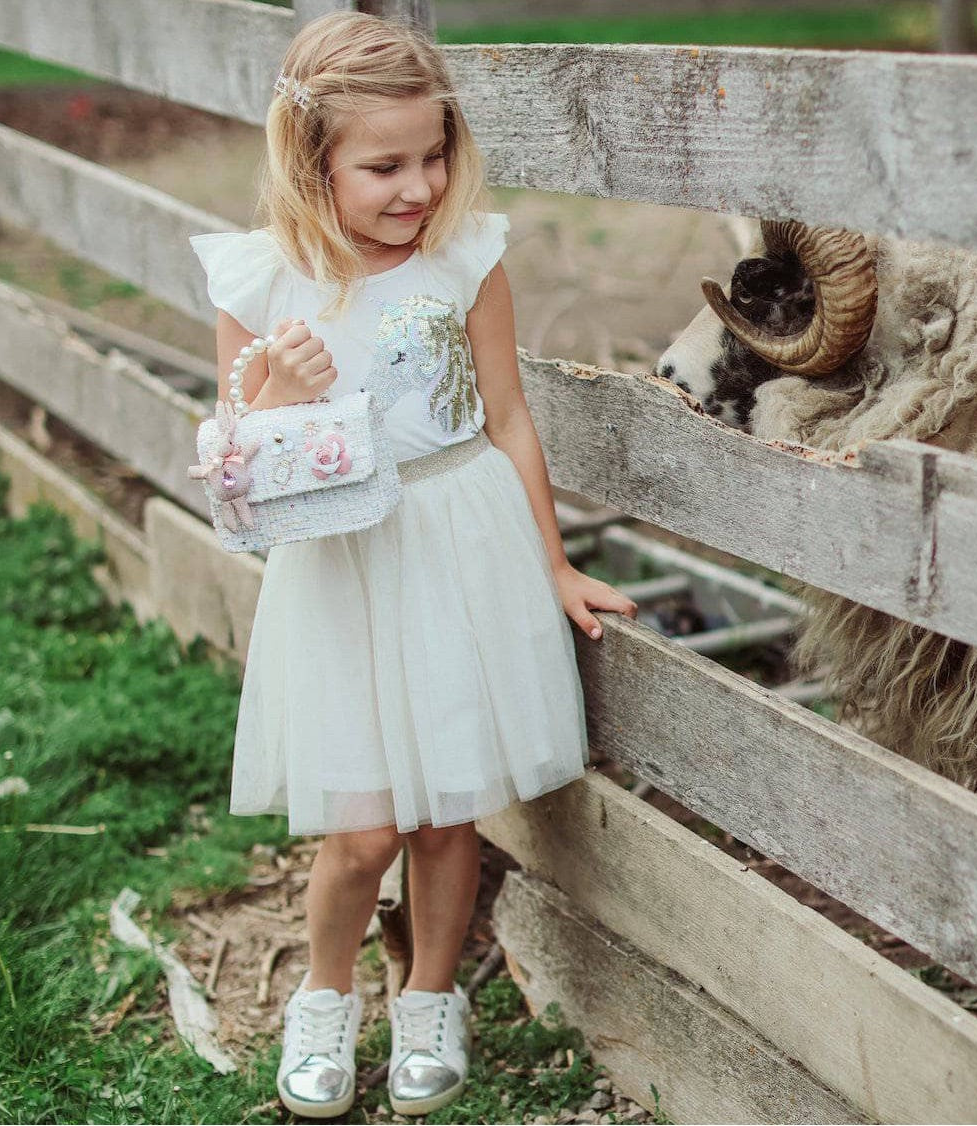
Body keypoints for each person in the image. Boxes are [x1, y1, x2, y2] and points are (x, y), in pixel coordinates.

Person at [189, 10, 637, 1119]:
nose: (419, 186)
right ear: (313, 163)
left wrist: (552, 562)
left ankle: (431, 996)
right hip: (344, 567)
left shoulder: (465, 258)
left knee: (446, 814)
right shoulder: (260, 284)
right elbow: (237, 462)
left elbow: (508, 415)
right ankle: (328, 995)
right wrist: (278, 395)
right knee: (363, 828)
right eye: (383, 165)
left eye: (433, 155)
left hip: (460, 539)